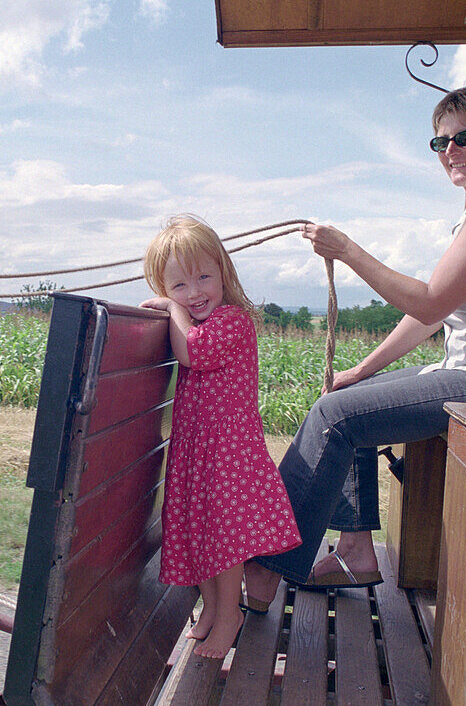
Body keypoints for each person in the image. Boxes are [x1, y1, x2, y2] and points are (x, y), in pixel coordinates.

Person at [241, 80, 466, 609]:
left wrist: (348, 249)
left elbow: (427, 304)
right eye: (440, 143)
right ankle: (355, 552)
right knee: (343, 398)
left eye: (465, 138)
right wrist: (361, 370)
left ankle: (264, 569)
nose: (451, 152)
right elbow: (431, 315)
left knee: (334, 418)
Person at [140, 215, 302, 658]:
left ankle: (230, 615)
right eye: (178, 287)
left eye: (203, 277)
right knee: (202, 532)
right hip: (200, 449)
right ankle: (211, 609)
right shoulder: (203, 318)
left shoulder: (232, 320)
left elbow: (191, 353)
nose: (193, 294)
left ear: (223, 272)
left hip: (228, 452)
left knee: (225, 540)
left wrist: (171, 310)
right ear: (163, 285)